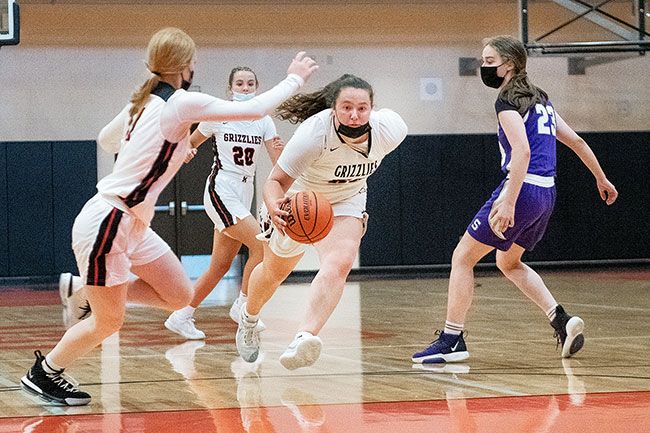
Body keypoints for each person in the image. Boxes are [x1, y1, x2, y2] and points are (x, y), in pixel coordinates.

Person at [20, 27, 317, 406]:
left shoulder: (142, 102)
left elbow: (106, 140)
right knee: (108, 322)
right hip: (110, 219)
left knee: (180, 296)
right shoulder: (178, 103)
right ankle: (44, 373)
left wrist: (166, 144)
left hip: (133, 223)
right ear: (186, 65)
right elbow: (254, 108)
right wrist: (295, 76)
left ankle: (85, 288)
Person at [412, 35, 618, 364]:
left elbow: (521, 151)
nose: (484, 67)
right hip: (546, 193)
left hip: (521, 191)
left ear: (509, 64)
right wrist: (600, 177)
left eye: (490, 61)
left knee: (462, 257)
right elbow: (576, 140)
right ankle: (561, 320)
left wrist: (508, 201)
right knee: (508, 262)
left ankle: (452, 339)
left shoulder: (507, 100)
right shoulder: (541, 100)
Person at [235, 74, 408, 370]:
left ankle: (304, 336)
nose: (355, 115)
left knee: (340, 262)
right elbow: (275, 181)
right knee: (274, 273)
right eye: (346, 107)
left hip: (347, 199)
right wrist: (274, 205)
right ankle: (248, 318)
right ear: (333, 108)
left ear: (372, 108)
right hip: (301, 200)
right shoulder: (314, 134)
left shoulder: (390, 130)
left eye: (362, 108)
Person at [163, 67, 284, 340]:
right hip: (222, 188)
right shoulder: (219, 116)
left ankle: (181, 316)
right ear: (230, 89)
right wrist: (186, 151)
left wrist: (283, 153)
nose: (245, 87)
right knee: (261, 245)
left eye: (250, 83)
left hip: (245, 190)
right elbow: (191, 143)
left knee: (220, 265)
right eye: (240, 83)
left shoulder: (263, 120)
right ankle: (243, 303)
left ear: (257, 87)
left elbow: (278, 162)